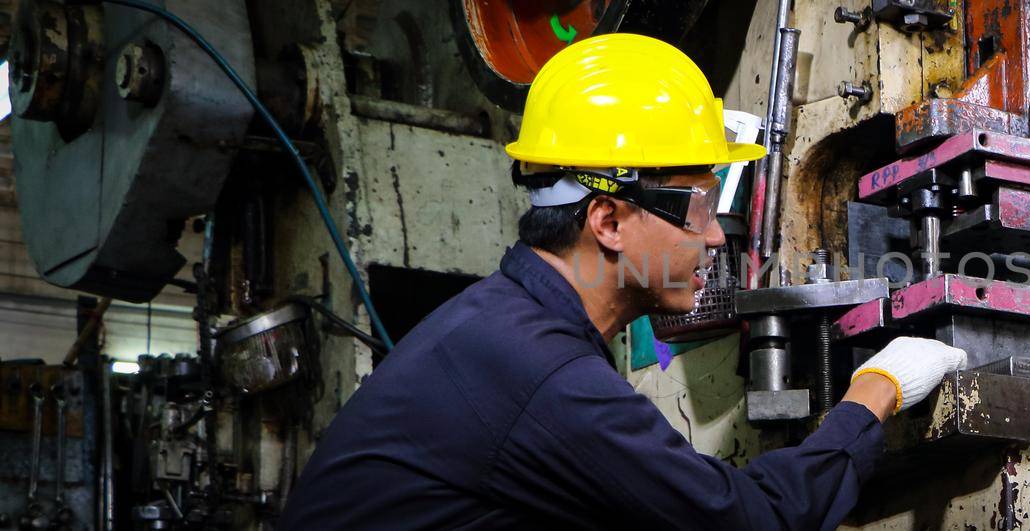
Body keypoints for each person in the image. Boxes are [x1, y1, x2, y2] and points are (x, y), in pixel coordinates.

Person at [280, 33, 966, 530]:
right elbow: (750, 521)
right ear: (607, 217)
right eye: (697, 203)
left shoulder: (507, 330)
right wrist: (874, 393)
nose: (713, 235)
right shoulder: (541, 371)